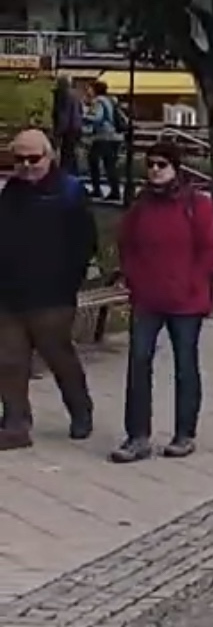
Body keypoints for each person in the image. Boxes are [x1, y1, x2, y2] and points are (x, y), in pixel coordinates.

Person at [114, 137, 213, 462]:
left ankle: (184, 433)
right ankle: (137, 435)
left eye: (162, 164)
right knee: (138, 362)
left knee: (185, 365)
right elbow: (127, 244)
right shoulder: (141, 205)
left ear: (175, 168)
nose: (155, 170)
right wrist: (133, 277)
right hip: (148, 297)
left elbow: (209, 250)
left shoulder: (196, 204)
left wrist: (190, 283)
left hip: (186, 300)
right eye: (150, 164)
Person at [0, 129, 97, 449]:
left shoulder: (69, 191)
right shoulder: (11, 191)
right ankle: (15, 423)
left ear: (49, 156)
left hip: (52, 295)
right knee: (9, 360)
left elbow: (84, 242)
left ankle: (80, 410)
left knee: (59, 356)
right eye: (19, 159)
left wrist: (68, 281)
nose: (26, 165)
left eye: (33, 159)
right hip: (10, 294)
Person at [82, 79, 125, 201]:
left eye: (90, 88)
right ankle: (115, 191)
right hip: (115, 136)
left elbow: (97, 118)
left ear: (95, 89)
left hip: (104, 136)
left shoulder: (99, 101)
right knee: (110, 164)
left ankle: (97, 190)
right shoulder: (111, 100)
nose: (88, 91)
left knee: (93, 161)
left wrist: (84, 116)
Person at [52, 76, 83, 175]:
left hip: (68, 129)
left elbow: (64, 114)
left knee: (66, 154)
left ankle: (65, 174)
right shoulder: (76, 95)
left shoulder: (63, 95)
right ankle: (74, 174)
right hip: (76, 127)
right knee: (71, 153)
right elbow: (80, 111)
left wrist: (58, 131)